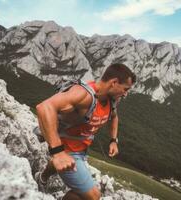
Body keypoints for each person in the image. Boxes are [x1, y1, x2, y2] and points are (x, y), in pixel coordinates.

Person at [35, 63, 136, 200]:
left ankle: (42, 178)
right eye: (125, 89)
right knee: (93, 196)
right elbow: (44, 107)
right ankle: (50, 169)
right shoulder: (84, 95)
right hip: (67, 150)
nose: (126, 94)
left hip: (81, 150)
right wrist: (58, 153)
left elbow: (114, 117)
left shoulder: (112, 100)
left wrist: (113, 140)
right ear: (114, 83)